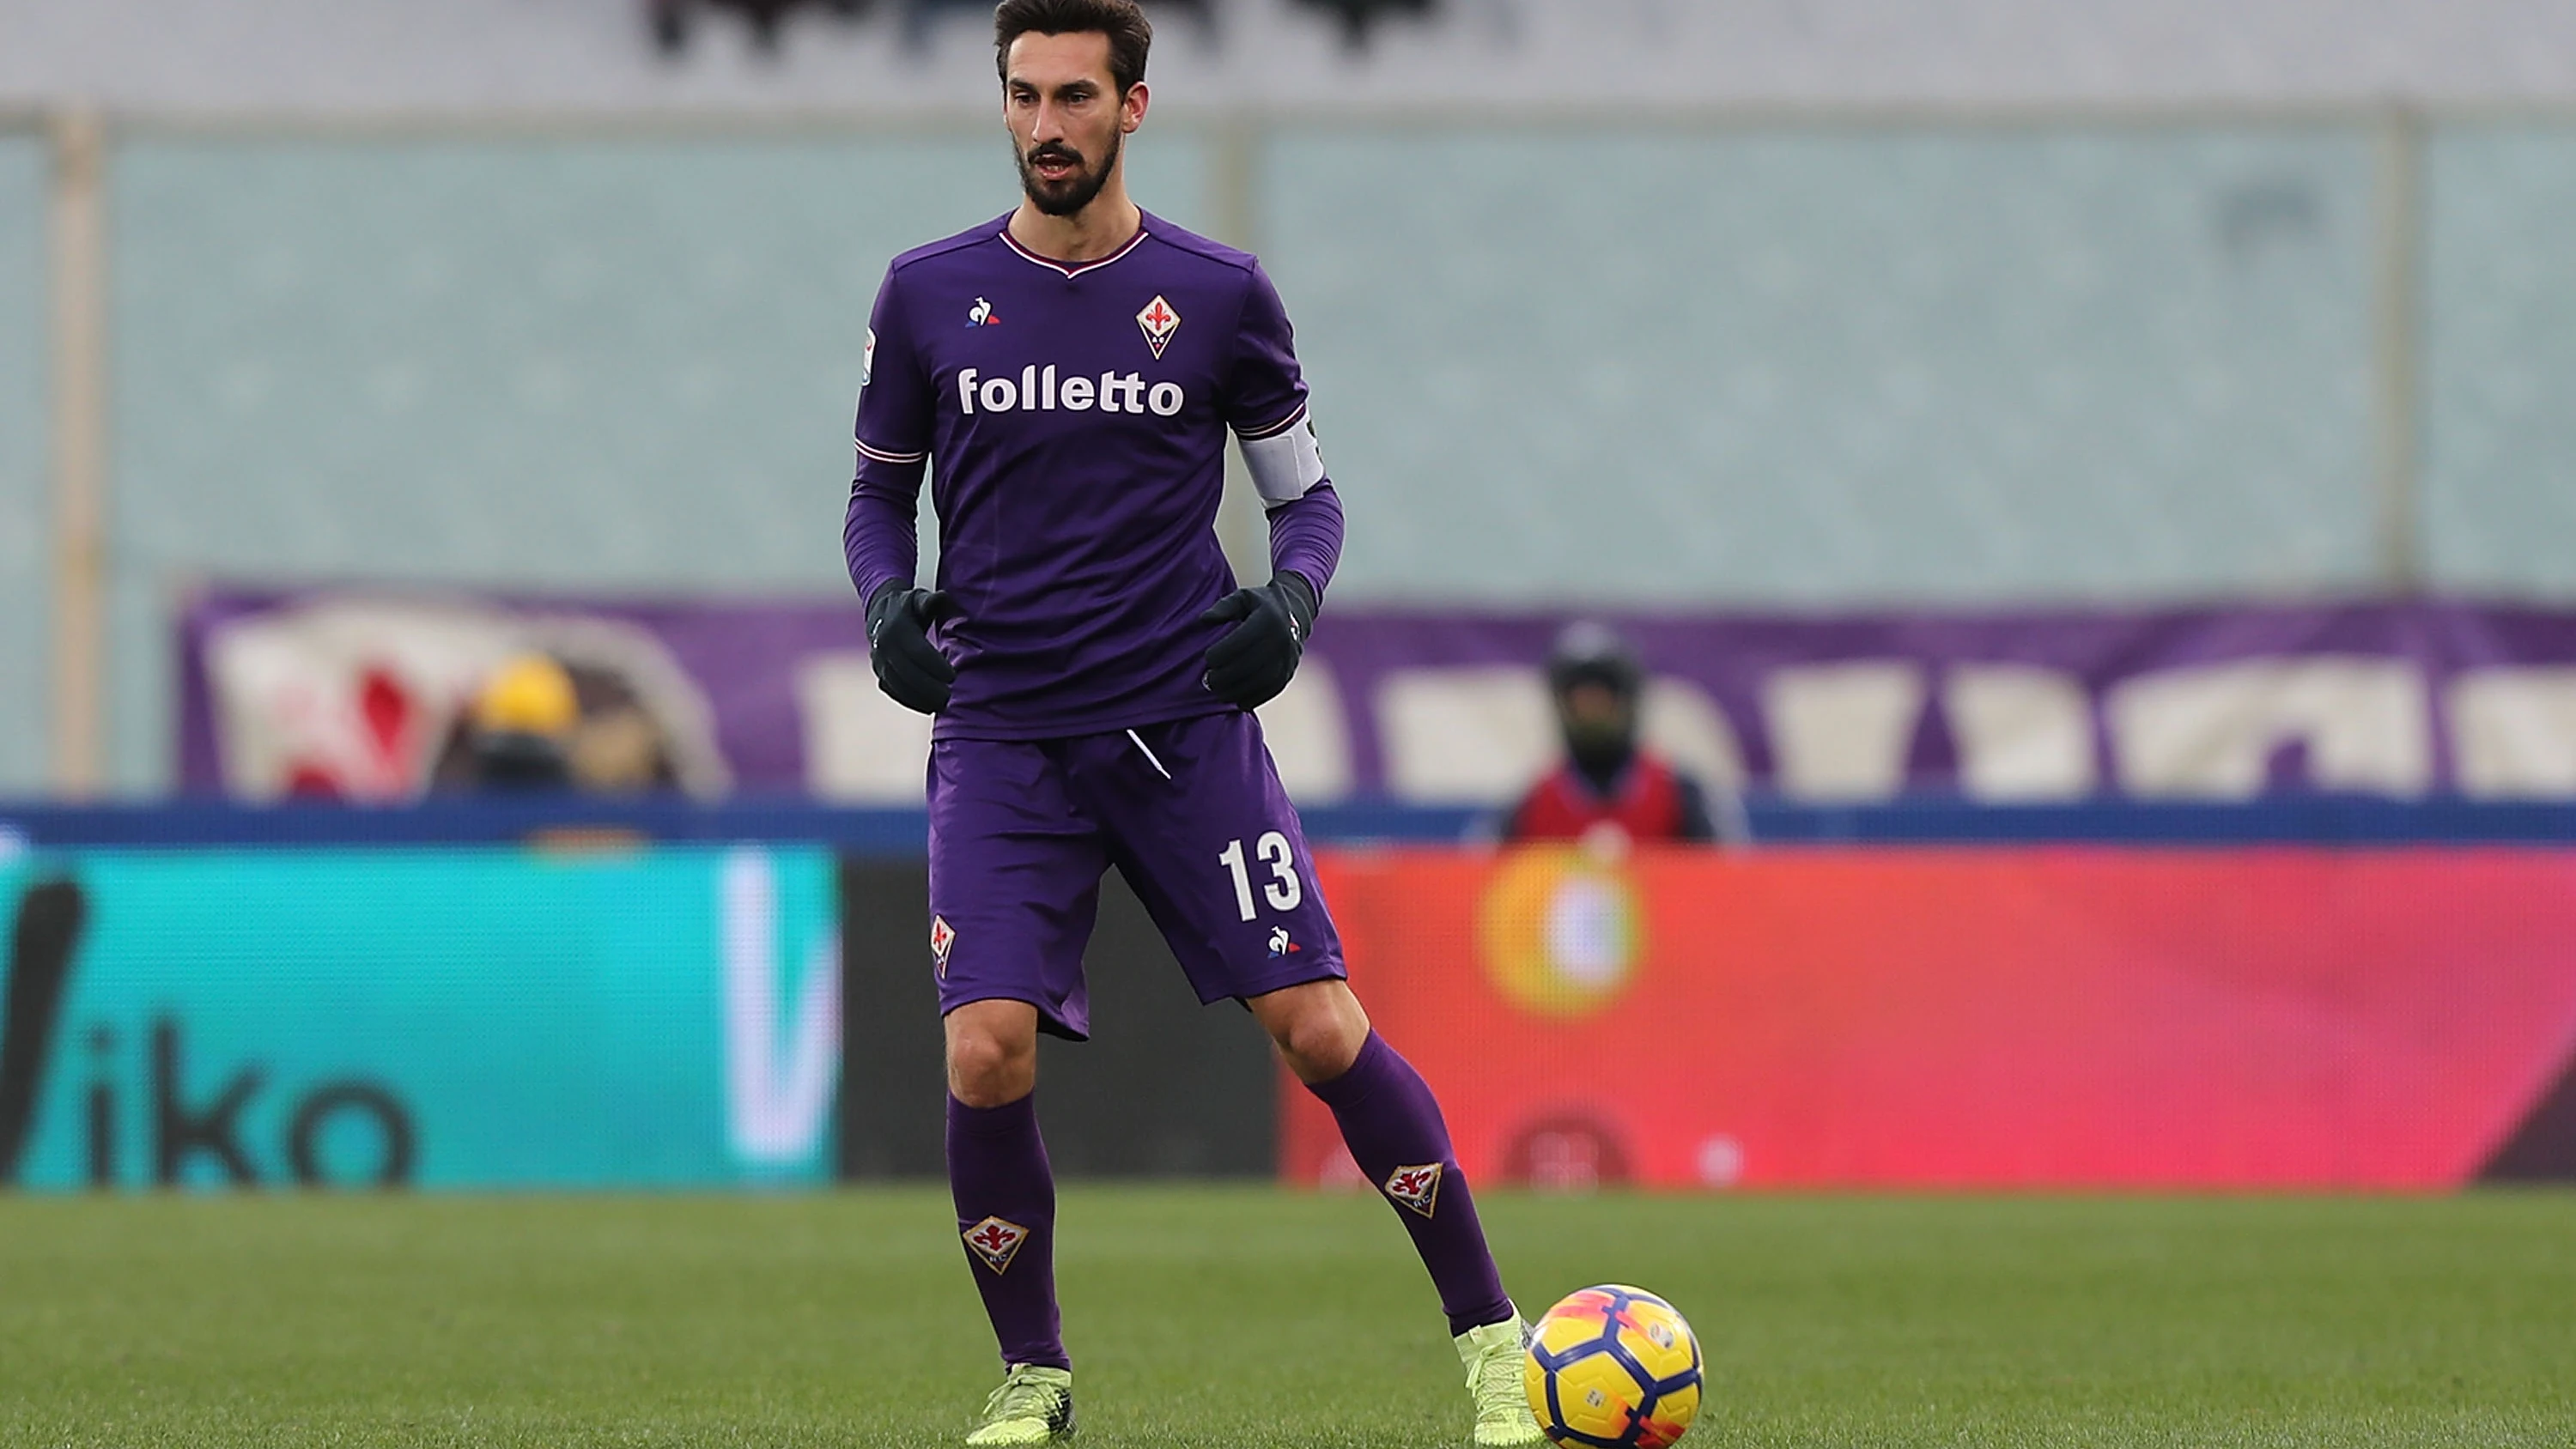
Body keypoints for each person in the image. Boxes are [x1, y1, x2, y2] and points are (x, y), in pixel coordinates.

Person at [841, 3, 1545, 1444]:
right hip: (1004, 738)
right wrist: (882, 602)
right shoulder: (926, 295)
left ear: (1134, 108)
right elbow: (875, 495)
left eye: (1075, 96)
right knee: (983, 1051)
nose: (1047, 124)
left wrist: (1288, 605)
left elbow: (1310, 498)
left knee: (1322, 1025)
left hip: (1179, 727)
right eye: (1025, 96)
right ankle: (1033, 1375)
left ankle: (1495, 1343)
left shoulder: (1219, 296)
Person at [1501, 623, 1719, 846]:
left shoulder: (1678, 794)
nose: (1592, 716)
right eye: (1581, 704)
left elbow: (1720, 872)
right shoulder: (1532, 802)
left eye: (1602, 702)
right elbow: (1489, 874)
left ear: (1629, 702)